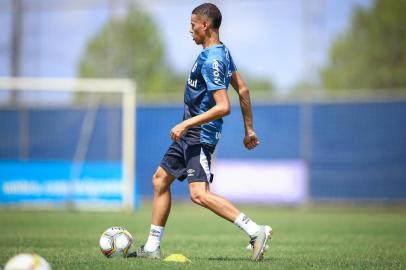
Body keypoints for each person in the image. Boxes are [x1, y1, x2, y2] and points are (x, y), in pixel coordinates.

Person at [132, 3, 272, 261]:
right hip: (190, 132)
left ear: (205, 25)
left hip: (199, 133)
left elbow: (223, 106)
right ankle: (152, 248)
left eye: (193, 24)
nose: (190, 29)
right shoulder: (222, 51)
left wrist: (186, 123)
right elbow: (243, 89)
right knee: (160, 179)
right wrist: (249, 129)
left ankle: (255, 231)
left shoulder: (213, 60)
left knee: (198, 194)